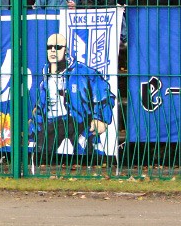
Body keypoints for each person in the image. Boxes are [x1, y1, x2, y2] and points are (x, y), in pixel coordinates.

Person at [29, 33, 116, 162]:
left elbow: (105, 95)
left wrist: (101, 118)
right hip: (53, 122)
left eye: (58, 47)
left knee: (89, 156)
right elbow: (41, 109)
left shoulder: (82, 72)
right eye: (49, 47)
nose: (53, 50)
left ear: (66, 50)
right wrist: (32, 130)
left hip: (78, 121)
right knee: (41, 155)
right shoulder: (45, 79)